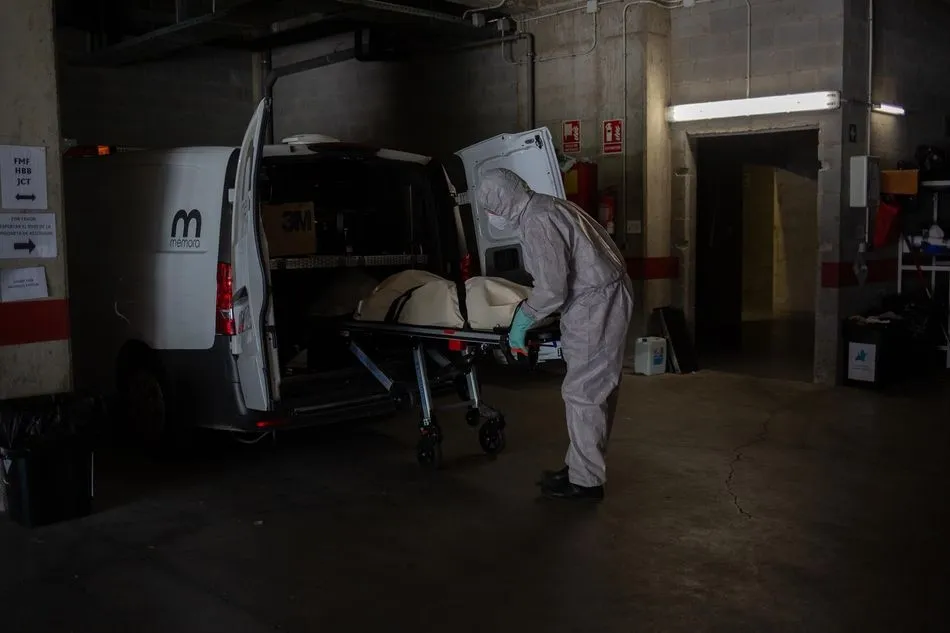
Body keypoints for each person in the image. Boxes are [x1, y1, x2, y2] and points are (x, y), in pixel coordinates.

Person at [475, 168, 633, 502]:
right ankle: (582, 466)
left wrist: (523, 319)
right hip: (603, 294)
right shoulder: (549, 205)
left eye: (490, 209)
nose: (491, 216)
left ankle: (586, 482)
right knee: (594, 388)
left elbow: (552, 289)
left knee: (584, 391)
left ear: (501, 203)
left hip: (594, 302)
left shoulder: (537, 222)